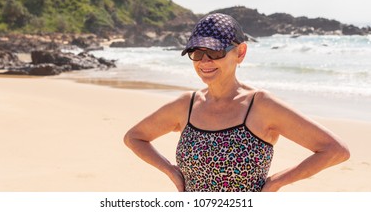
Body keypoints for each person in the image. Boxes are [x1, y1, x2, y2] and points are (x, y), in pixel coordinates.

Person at [124, 13, 350, 192]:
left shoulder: (261, 105)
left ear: (240, 53)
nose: (204, 61)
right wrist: (170, 170)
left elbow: (335, 150)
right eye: (197, 52)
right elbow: (134, 137)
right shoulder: (187, 105)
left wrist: (276, 182)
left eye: (214, 51)